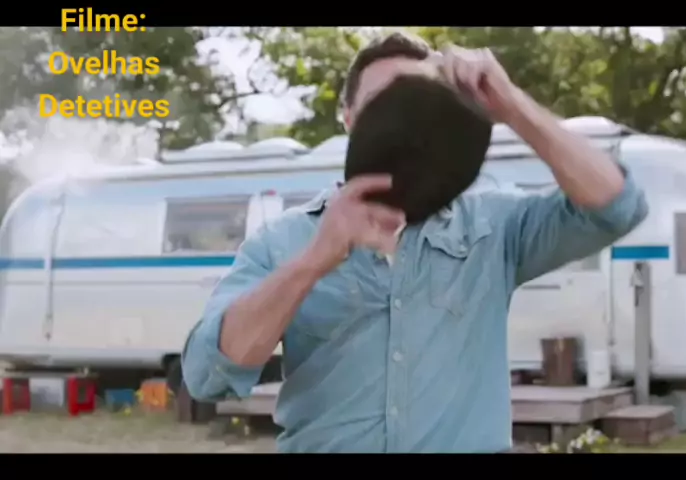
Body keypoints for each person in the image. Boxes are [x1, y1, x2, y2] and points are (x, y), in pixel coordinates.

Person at [181, 31, 649, 453]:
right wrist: (314, 261)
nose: (404, 120)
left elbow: (617, 207)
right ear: (349, 118)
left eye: (417, 102)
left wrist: (511, 105)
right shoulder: (285, 241)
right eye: (383, 104)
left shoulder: (493, 228)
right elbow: (207, 376)